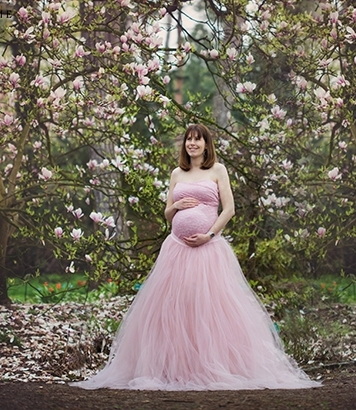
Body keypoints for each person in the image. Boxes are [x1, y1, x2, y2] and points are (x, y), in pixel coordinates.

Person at [72, 124, 320, 390]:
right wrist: (176, 206)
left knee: (209, 308)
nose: (192, 144)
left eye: (197, 140)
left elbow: (229, 210)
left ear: (206, 144)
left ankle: (210, 365)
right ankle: (177, 367)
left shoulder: (218, 170)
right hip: (176, 250)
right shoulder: (177, 173)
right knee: (175, 308)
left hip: (208, 251)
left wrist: (209, 235)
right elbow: (168, 215)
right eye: (189, 140)